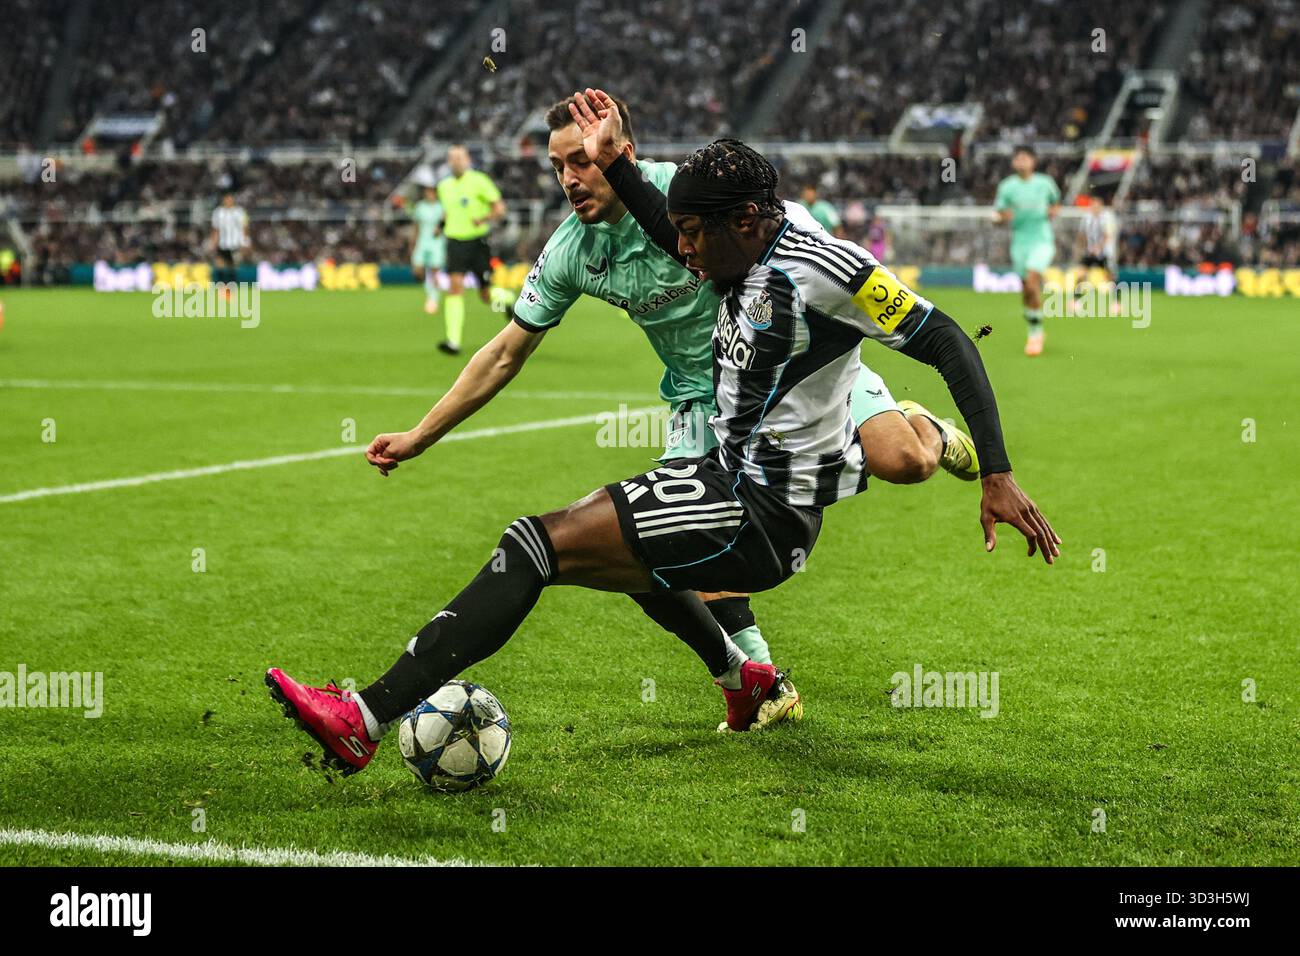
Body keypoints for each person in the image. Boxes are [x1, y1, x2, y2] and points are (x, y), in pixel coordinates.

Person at [265, 93, 1058, 777]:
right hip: (725, 434)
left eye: (588, 160)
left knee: (906, 460)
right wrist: (424, 434)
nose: (679, 248)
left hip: (781, 454)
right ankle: (748, 679)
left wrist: (996, 470)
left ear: (743, 220)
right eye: (561, 166)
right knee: (637, 554)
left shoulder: (797, 255)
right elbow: (525, 334)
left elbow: (944, 335)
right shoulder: (673, 235)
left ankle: (363, 719)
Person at [435, 145, 506, 355]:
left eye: (460, 158)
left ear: (467, 160)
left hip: (477, 242)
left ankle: (509, 302)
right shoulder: (444, 186)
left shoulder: (479, 181)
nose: (456, 162)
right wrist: (439, 228)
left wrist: (483, 219)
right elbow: (448, 212)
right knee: (454, 287)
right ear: (448, 162)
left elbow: (500, 209)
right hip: (454, 242)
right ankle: (453, 341)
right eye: (452, 158)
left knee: (485, 294)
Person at [993, 147, 1060, 356]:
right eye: (1018, 158)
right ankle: (1034, 324)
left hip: (1041, 239)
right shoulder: (1007, 187)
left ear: (1033, 161)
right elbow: (1000, 214)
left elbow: (1056, 203)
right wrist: (1002, 218)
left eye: (1025, 158)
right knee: (1027, 289)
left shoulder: (1045, 183)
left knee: (1032, 281)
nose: (1022, 161)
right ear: (1014, 163)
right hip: (1020, 242)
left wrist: (1052, 213)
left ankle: (1035, 333)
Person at [409, 183, 446, 315]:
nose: (428, 194)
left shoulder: (442, 207)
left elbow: (446, 224)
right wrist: (412, 243)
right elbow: (415, 226)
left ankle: (433, 300)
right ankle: (430, 293)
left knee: (435, 272)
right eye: (427, 191)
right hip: (422, 241)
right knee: (418, 270)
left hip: (437, 243)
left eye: (431, 191)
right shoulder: (420, 207)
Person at [209, 192, 248, 288]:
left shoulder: (239, 212)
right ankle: (220, 286)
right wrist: (213, 242)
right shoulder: (218, 212)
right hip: (222, 243)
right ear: (224, 200)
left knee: (233, 265)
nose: (228, 201)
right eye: (226, 199)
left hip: (235, 243)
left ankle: (232, 286)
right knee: (219, 264)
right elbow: (215, 229)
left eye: (230, 199)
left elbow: (244, 227)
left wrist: (244, 241)